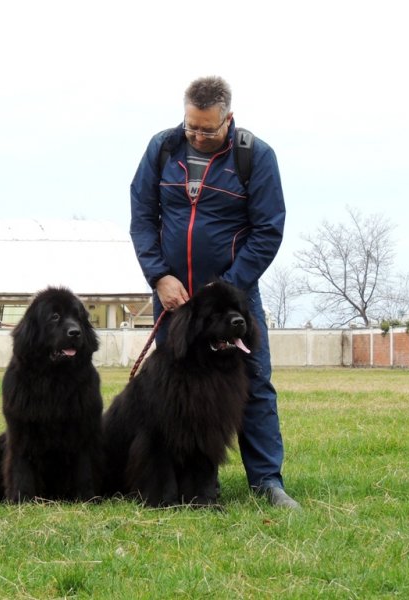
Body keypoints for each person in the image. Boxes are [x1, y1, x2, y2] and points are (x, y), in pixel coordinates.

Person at [129, 75, 300, 509]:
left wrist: (228, 285)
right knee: (173, 391)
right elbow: (143, 216)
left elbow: (267, 230)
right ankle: (190, 484)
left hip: (231, 296)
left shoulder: (255, 157)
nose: (198, 136)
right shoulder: (162, 149)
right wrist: (158, 276)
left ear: (229, 119)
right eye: (192, 126)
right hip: (174, 296)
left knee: (254, 381)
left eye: (208, 128)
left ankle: (267, 481)